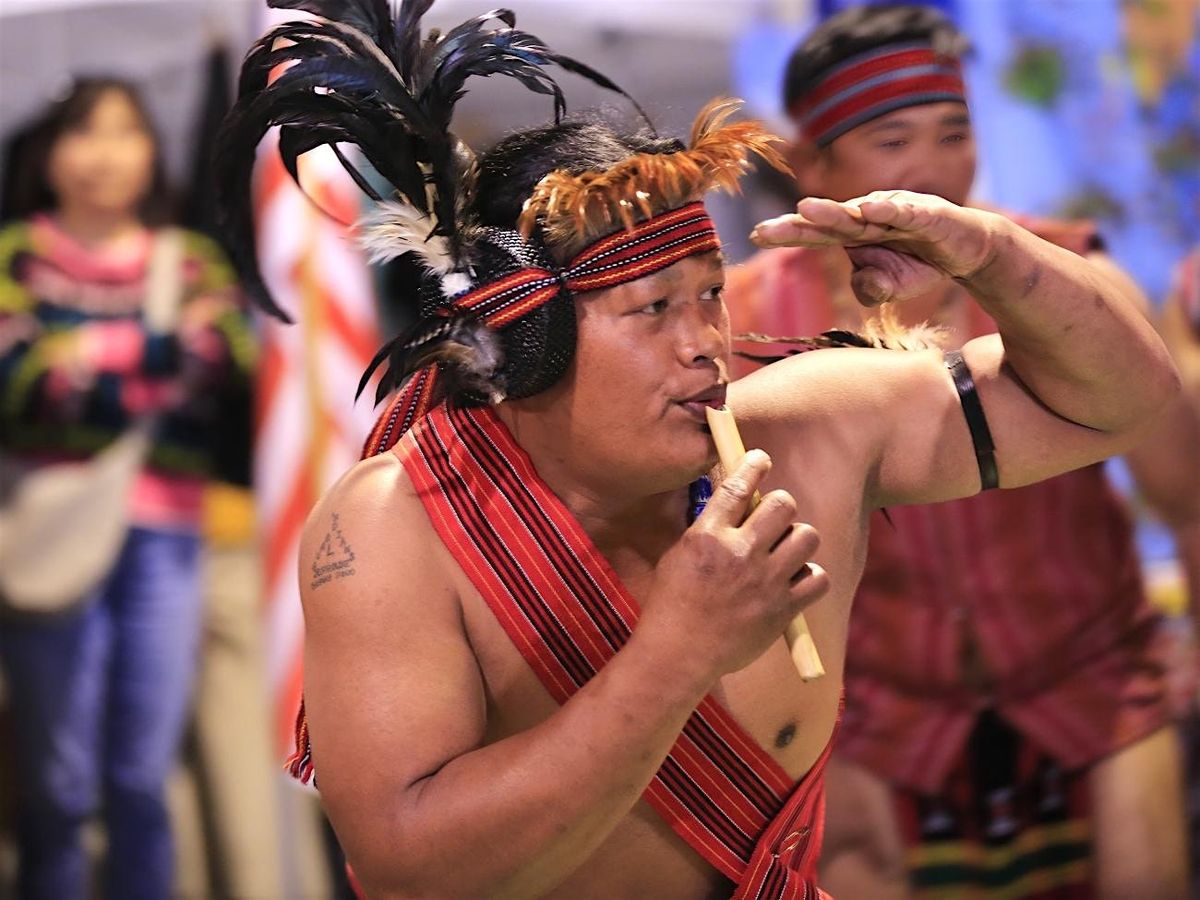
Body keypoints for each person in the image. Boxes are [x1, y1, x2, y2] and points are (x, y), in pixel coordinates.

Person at [215, 3, 1180, 897]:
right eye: (652, 309)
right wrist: (680, 650)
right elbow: (405, 869)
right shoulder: (392, 527)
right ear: (525, 339)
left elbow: (1121, 407)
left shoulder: (807, 424)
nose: (704, 344)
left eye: (712, 292)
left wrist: (990, 255)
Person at [725, 5, 1194, 897]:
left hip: (1094, 689)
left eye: (954, 132)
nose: (932, 172)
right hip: (873, 727)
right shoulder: (741, 327)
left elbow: (1187, 494)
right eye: (893, 141)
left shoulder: (1066, 280)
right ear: (812, 165)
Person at [0, 78, 254, 900]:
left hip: (168, 534)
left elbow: (225, 357)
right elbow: (18, 380)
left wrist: (80, 356)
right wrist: (153, 350)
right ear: (48, 153)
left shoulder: (191, 258)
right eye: (84, 132)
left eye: (124, 132)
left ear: (152, 152)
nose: (104, 154)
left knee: (143, 779)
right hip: (53, 530)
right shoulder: (15, 254)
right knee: (57, 788)